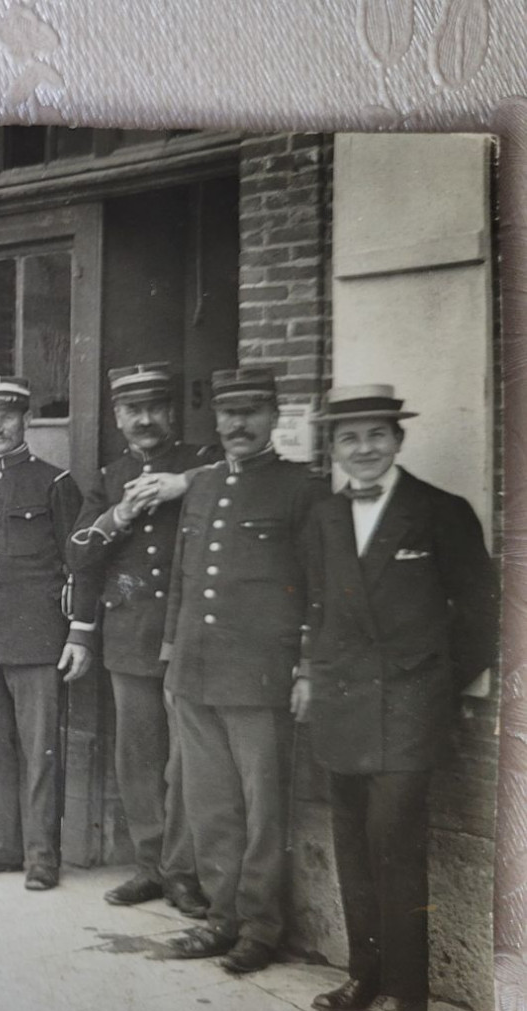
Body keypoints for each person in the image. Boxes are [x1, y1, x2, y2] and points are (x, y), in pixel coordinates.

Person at [301, 385, 495, 1011]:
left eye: (376, 435)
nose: (364, 449)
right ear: (333, 447)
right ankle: (363, 978)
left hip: (410, 708)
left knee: (397, 844)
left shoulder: (441, 511)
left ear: (399, 439)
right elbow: (319, 607)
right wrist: (316, 673)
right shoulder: (325, 517)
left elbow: (483, 614)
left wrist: (439, 686)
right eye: (349, 438)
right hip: (343, 705)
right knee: (353, 847)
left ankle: (406, 989)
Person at [161, 366, 328, 974]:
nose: (238, 424)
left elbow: (318, 585)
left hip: (260, 676)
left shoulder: (300, 489)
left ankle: (261, 926)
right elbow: (184, 576)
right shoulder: (202, 486)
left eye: (252, 411)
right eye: (229, 412)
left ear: (274, 417)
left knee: (263, 809)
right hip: (195, 670)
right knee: (210, 803)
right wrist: (170, 656)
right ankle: (222, 916)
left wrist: (306, 665)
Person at [0, 375, 97, 891]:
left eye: (7, 416)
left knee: (40, 749)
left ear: (25, 418)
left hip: (35, 640)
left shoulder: (54, 483)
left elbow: (80, 565)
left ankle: (41, 855)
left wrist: (79, 633)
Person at [67, 364, 210, 918]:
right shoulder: (108, 476)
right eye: (133, 410)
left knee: (187, 761)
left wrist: (183, 485)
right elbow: (79, 553)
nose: (145, 419)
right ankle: (150, 866)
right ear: (118, 417)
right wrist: (119, 514)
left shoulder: (199, 462)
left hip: (188, 635)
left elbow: (239, 473)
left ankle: (184, 871)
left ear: (173, 412)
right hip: (130, 637)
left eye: (155, 407)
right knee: (138, 757)